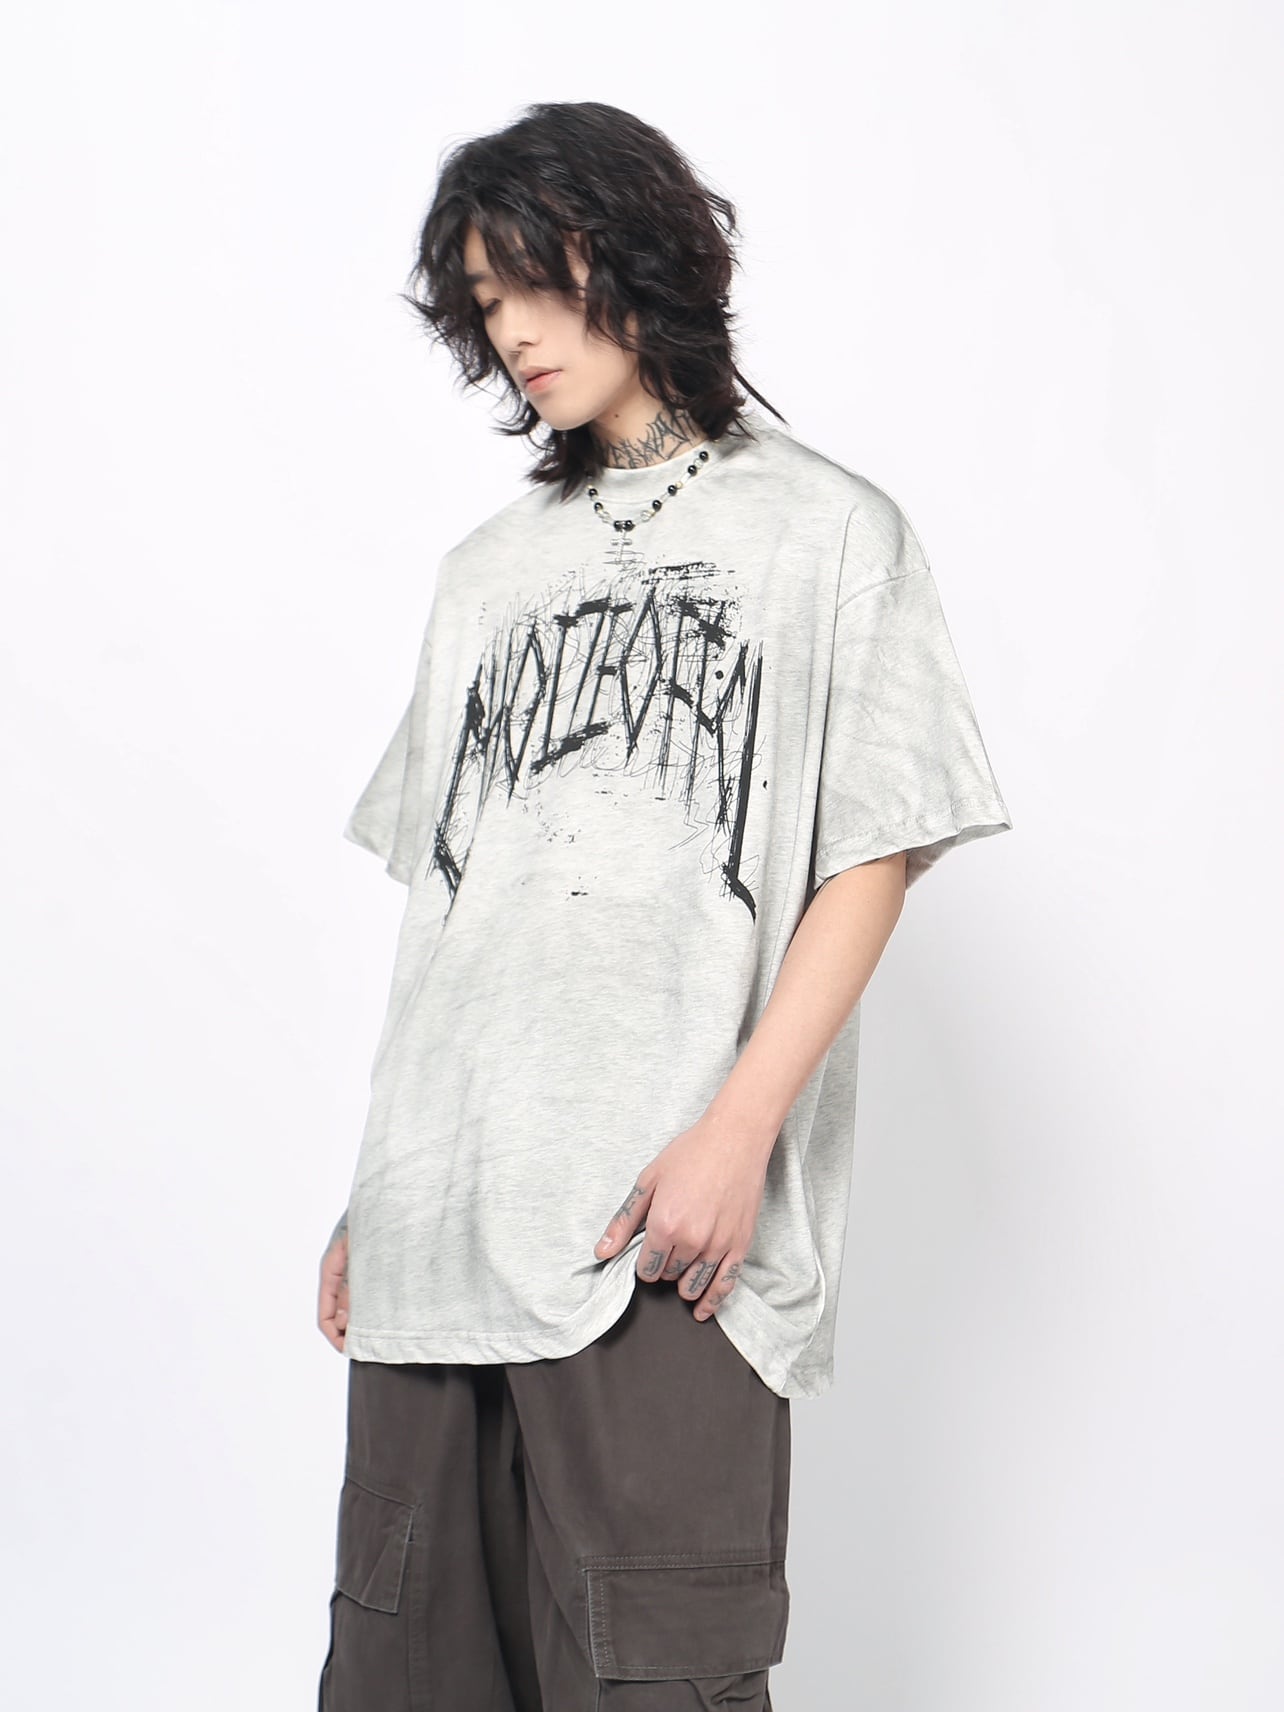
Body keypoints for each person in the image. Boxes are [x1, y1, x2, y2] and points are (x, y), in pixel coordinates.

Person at [314, 100, 1013, 1711]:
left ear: (637, 254)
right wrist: (378, 1189)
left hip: (656, 1229)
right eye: (485, 304)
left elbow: (873, 856)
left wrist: (737, 1132)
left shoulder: (830, 533)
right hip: (433, 1244)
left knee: (660, 1681)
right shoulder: (483, 572)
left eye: (536, 281)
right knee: (405, 1678)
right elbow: (457, 919)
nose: (514, 333)